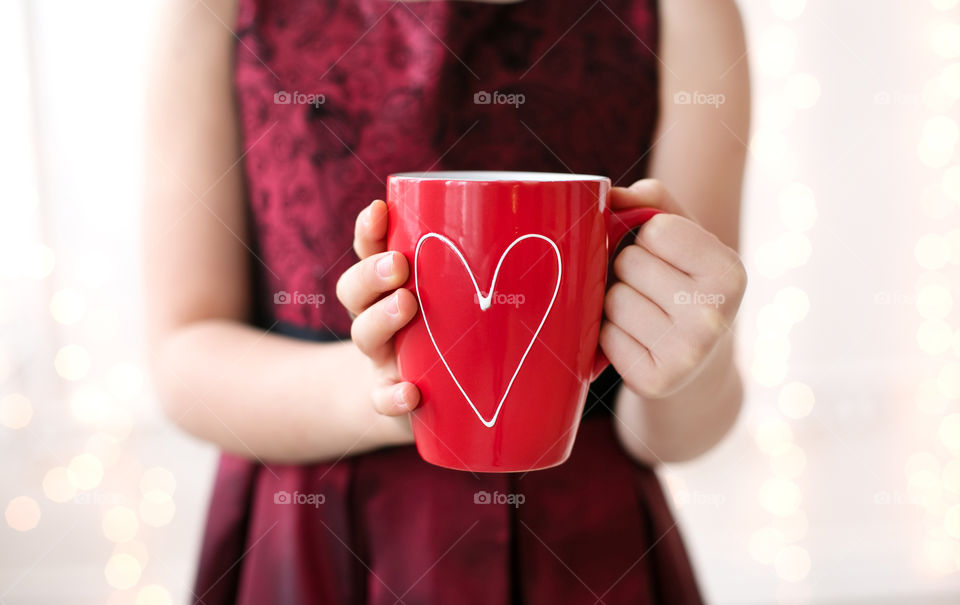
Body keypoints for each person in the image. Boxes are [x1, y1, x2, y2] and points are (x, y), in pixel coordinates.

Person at [143, 0, 749, 602]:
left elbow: (673, 432)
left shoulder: (687, 11)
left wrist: (691, 359)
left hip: (584, 548)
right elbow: (183, 358)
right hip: (316, 539)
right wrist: (399, 391)